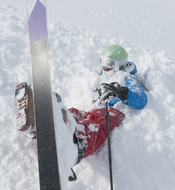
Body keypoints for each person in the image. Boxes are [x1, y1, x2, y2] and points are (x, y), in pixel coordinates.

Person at [14, 45, 147, 181]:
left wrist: (120, 91)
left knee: (94, 124)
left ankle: (75, 150)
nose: (104, 66)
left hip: (114, 112)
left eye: (109, 63)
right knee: (73, 114)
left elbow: (141, 100)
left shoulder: (127, 77)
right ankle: (43, 121)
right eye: (102, 61)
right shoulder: (103, 75)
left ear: (120, 64)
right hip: (95, 110)